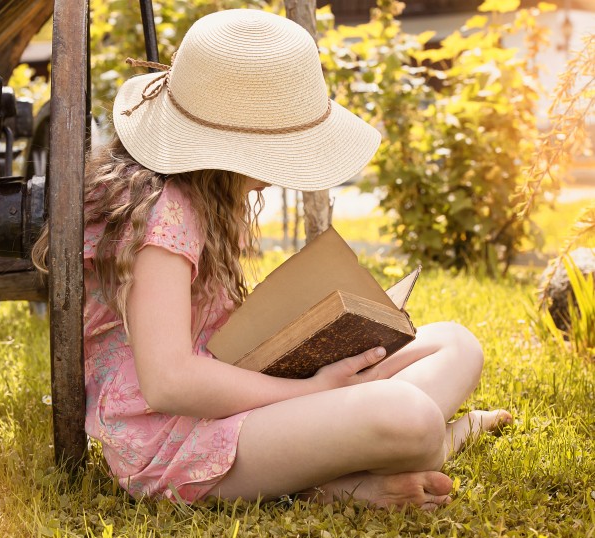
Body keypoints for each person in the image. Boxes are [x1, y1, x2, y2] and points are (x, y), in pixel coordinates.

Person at [31, 9, 511, 509]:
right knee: (410, 418)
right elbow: (169, 382)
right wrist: (313, 392)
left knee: (455, 344)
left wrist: (318, 351)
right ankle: (349, 480)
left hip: (237, 393)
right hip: (178, 440)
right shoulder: (163, 213)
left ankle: (364, 454)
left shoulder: (198, 196)